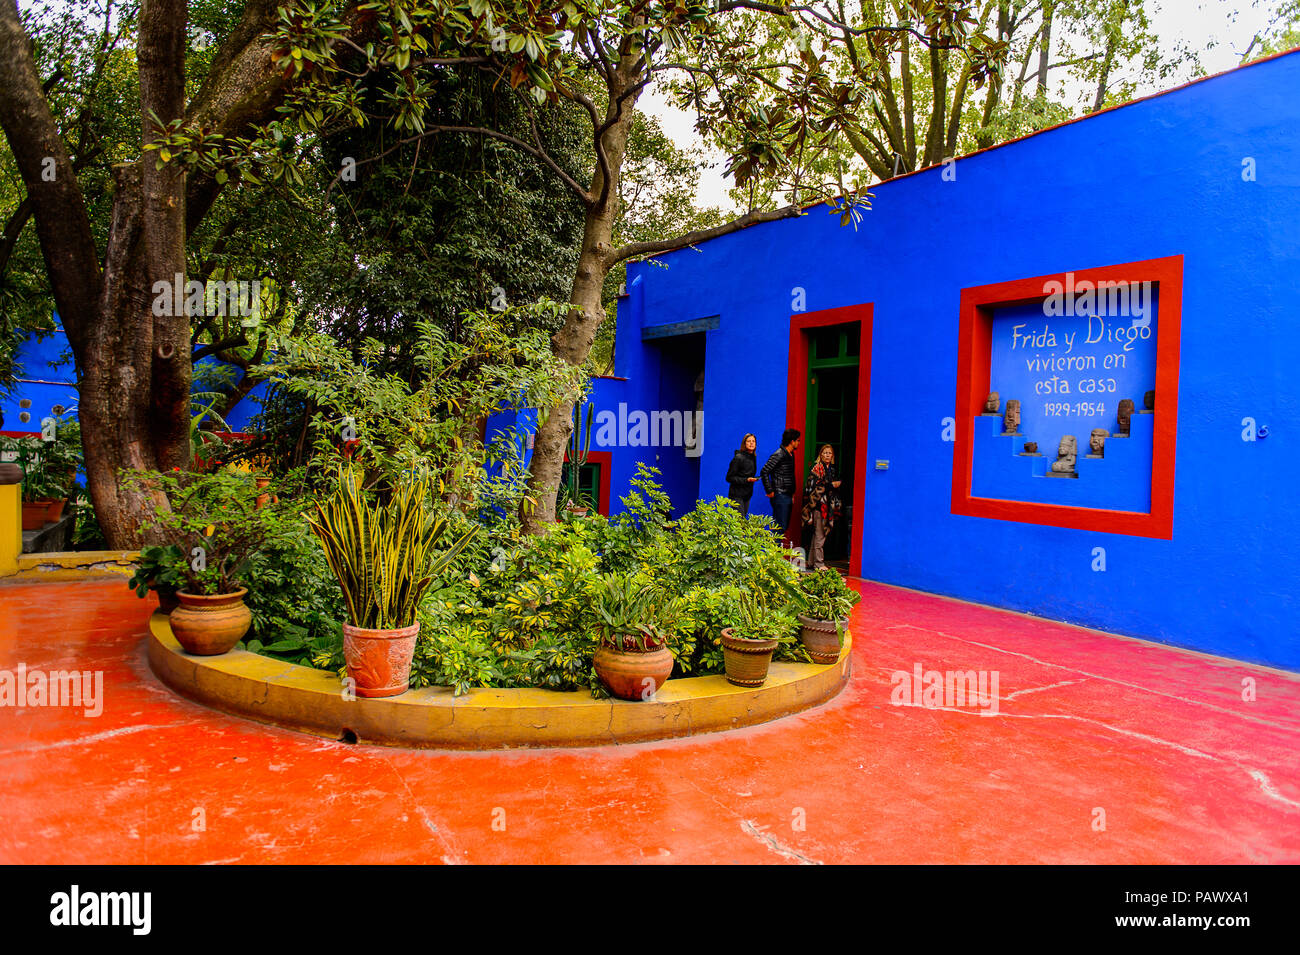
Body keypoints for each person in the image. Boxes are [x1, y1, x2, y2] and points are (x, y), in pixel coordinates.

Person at [802, 443, 843, 570]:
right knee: (820, 535)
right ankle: (819, 563)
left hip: (828, 505)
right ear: (821, 454)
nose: (827, 455)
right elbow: (813, 489)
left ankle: (811, 561)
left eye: (829, 453)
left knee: (817, 535)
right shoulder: (817, 469)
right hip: (819, 506)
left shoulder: (832, 470)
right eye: (825, 453)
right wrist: (832, 485)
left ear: (832, 456)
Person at [759, 428, 800, 536]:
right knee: (779, 527)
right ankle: (774, 551)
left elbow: (790, 475)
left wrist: (792, 494)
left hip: (787, 495)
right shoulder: (779, 454)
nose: (798, 443)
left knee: (783, 527)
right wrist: (770, 490)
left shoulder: (791, 455)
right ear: (792, 441)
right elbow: (764, 471)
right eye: (798, 440)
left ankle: (777, 550)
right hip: (780, 494)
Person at [725, 433, 759, 517]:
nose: (751, 443)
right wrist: (746, 480)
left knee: (742, 522)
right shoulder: (738, 458)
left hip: (747, 495)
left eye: (753, 441)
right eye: (749, 441)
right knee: (739, 524)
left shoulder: (753, 457)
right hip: (736, 495)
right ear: (744, 444)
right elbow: (729, 477)